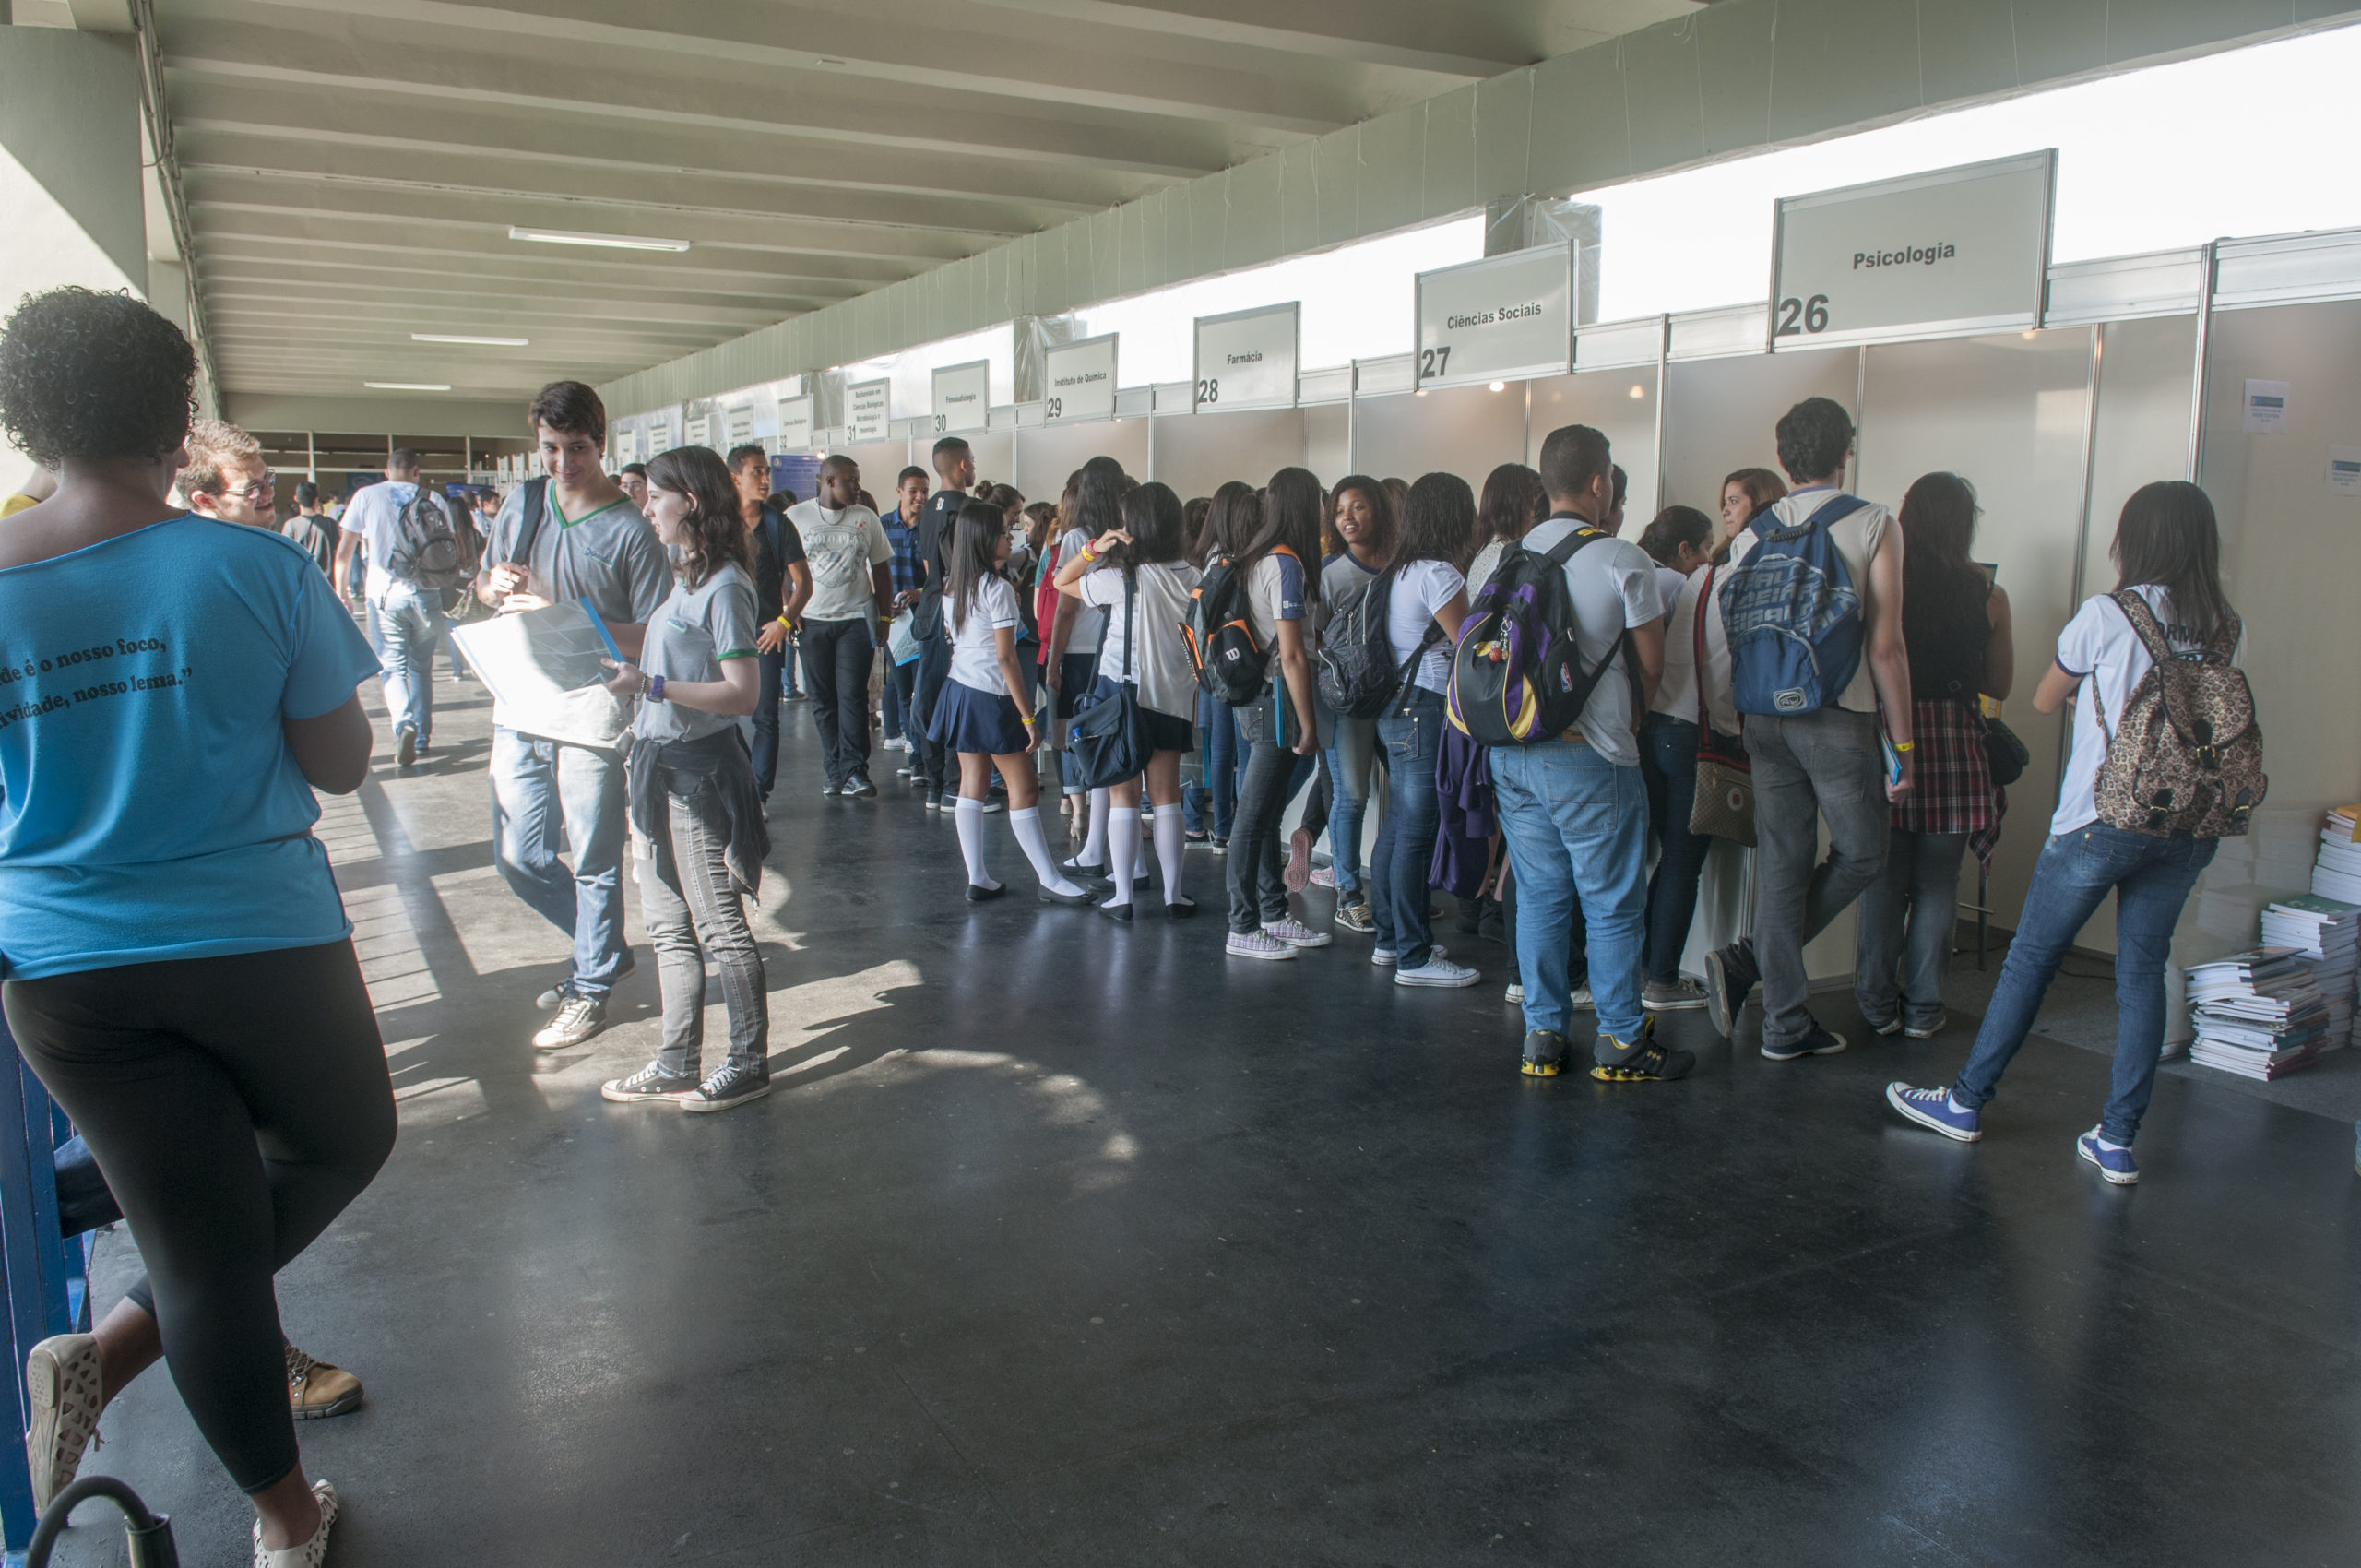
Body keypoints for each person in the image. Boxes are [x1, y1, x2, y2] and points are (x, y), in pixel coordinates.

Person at [0, 285, 390, 1566]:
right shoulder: (251, 566)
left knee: (199, 1248)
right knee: (337, 1147)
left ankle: (284, 1529)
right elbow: (339, 762)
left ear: (28, 418)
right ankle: (111, 1355)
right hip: (258, 945)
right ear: (177, 419)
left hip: (64, 970)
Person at [1887, 481, 2242, 1185]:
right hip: (2186, 824)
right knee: (2142, 972)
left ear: (2133, 538)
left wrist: (2099, 684)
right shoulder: (2223, 622)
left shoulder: (2109, 613)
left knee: (2031, 962)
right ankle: (2116, 1139)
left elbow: (2046, 696)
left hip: (2100, 818)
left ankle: (1965, 1102)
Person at [1702, 397, 1914, 1061]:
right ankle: (1752, 965)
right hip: (1835, 715)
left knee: (1783, 865)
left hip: (1763, 714)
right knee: (1863, 853)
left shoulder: (1751, 534)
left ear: (1784, 459)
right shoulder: (1874, 523)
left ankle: (1785, 1021)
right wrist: (1902, 747)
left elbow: (1728, 630)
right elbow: (1886, 647)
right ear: (1844, 451)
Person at [475, 381, 671, 1050]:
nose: (563, 464)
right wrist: (492, 584)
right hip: (521, 697)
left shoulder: (629, 532)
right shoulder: (526, 503)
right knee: (520, 854)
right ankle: (607, 948)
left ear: (601, 444)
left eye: (577, 449)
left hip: (592, 711)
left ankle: (590, 986)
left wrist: (564, 615)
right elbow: (480, 583)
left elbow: (657, 635)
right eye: (550, 449)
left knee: (593, 855)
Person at [1489, 424, 1688, 1082]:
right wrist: (1630, 719)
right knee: (1610, 902)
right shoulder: (1621, 558)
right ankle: (1623, 1042)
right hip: (1589, 756)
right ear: (1600, 483)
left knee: (1542, 896)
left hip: (1513, 752)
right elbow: (1652, 666)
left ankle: (1542, 1039)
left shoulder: (1508, 555)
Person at [595, 446, 774, 1112]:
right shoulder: (687, 575)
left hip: (698, 774)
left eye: (655, 497)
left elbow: (743, 693)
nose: (646, 507)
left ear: (690, 503)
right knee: (669, 925)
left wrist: (654, 684)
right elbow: (660, 645)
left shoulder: (725, 584)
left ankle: (749, 1062)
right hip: (657, 764)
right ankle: (676, 1061)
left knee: (718, 926)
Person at [1855, 473, 2014, 1038]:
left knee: (1882, 878)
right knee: (1937, 884)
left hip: (1889, 736)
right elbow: (2000, 682)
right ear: (1965, 524)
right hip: (1956, 741)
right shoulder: (1988, 594)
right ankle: (1924, 1007)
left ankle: (1875, 1005)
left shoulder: (1884, 582)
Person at [929, 497, 1094, 906]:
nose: (1011, 537)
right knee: (1024, 789)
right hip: (992, 696)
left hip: (959, 691)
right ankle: (1049, 879)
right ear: (985, 540)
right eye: (1004, 532)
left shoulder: (953, 585)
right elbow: (1005, 659)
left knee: (973, 785)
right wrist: (1027, 718)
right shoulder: (997, 589)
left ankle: (978, 876)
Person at [1054, 481, 1203, 919]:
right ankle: (1174, 895)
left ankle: (1122, 896)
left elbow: (1062, 582)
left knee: (1122, 796)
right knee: (1166, 797)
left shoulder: (1120, 577)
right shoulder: (1193, 576)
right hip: (1173, 696)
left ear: (1133, 526)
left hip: (1123, 694)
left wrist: (1094, 548)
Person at [1366, 474, 1479, 987]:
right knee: (1416, 829)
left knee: (1397, 825)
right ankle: (1414, 955)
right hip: (1426, 706)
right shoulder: (1440, 575)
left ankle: (1390, 940)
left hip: (1395, 705)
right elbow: (1474, 648)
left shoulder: (1398, 570)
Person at [1223, 468, 1327, 960]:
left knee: (1262, 812)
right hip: (1275, 703)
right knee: (1252, 817)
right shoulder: (1285, 563)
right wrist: (1308, 723)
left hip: (1255, 699)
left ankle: (1270, 913)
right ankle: (1243, 925)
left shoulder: (1256, 556)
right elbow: (1292, 656)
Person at [1631, 505, 1722, 1013]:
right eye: (1704, 546)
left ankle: (1641, 966)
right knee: (1682, 862)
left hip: (1648, 731)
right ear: (1685, 549)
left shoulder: (1629, 565)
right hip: (1684, 729)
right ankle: (1661, 978)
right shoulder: (1680, 584)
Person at [1309, 474, 1395, 933]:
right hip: (1349, 701)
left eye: (1358, 507)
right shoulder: (1332, 574)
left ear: (1377, 510)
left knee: (1405, 794)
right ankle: (1348, 892)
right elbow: (1314, 638)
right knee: (1353, 794)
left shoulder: (1399, 567)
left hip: (1398, 696)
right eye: (1341, 510)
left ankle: (1396, 890)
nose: (1348, 517)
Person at [333, 446, 452, 767]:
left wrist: (342, 590)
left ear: (387, 471)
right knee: (421, 668)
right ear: (416, 471)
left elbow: (345, 550)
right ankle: (424, 738)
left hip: (385, 594)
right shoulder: (433, 498)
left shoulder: (366, 496)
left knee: (393, 667)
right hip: (427, 594)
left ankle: (404, 724)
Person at [785, 455, 893, 797]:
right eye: (851, 481)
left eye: (858, 480)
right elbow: (780, 570)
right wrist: (787, 611)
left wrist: (885, 617)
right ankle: (834, 771)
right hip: (812, 622)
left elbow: (882, 571)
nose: (858, 488)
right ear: (829, 481)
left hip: (855, 621)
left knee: (852, 696)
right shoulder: (796, 517)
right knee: (822, 698)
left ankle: (856, 771)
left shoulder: (866, 518)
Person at [733, 445, 812, 802]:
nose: (765, 480)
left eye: (767, 472)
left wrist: (784, 620)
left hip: (765, 632)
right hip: (721, 634)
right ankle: (734, 785)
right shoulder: (717, 523)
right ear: (735, 478)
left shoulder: (778, 524)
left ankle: (757, 793)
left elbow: (804, 583)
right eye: (757, 473)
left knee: (765, 715)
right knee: (725, 717)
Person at [1180, 480, 1256, 851]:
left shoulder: (1207, 558)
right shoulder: (1240, 559)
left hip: (1210, 670)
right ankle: (1238, 830)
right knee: (1243, 752)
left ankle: (1223, 830)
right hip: (1237, 665)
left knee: (1220, 751)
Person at [1048, 464, 1117, 861]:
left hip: (1078, 649)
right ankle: (1105, 811)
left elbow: (1065, 609)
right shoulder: (1125, 537)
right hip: (1110, 652)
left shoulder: (1078, 538)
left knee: (1072, 732)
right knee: (1106, 734)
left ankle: (1078, 812)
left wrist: (1053, 660)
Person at [910, 436, 977, 811]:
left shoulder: (928, 511)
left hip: (930, 610)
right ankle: (955, 785)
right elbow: (962, 568)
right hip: (959, 613)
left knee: (930, 697)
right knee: (958, 697)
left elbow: (927, 568)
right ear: (963, 465)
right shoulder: (968, 510)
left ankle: (936, 785)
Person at [880, 464, 930, 754]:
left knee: (922, 686)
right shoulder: (882, 526)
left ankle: (921, 749)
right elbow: (870, 572)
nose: (920, 497)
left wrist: (919, 594)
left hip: (924, 618)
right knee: (901, 687)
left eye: (925, 491)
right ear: (900, 491)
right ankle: (912, 745)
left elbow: (939, 578)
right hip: (893, 622)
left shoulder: (930, 527)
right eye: (913, 491)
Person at [1717, 467, 1786, 562]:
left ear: (1760, 503)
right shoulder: (1718, 560)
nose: (1724, 511)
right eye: (1725, 502)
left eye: (1733, 501)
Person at [281, 481, 336, 574]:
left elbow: (285, 556)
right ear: (316, 500)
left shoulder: (290, 525)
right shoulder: (330, 523)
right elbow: (336, 551)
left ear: (296, 498)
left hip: (301, 580)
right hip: (326, 581)